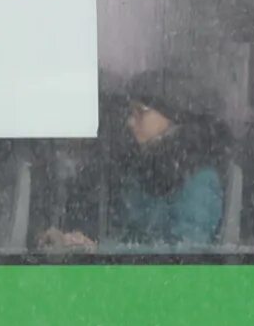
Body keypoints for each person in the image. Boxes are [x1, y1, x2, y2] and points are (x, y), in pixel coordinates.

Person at [40, 71, 228, 252]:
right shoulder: (144, 171)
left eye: (140, 112)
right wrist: (81, 244)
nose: (131, 121)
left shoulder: (200, 181)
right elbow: (128, 240)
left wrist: (103, 251)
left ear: (173, 117)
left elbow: (184, 255)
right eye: (131, 112)